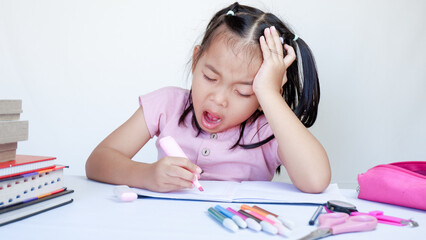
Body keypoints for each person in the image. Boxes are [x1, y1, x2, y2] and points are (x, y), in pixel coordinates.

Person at [86, 2, 331, 193]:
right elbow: (98, 161)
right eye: (210, 78)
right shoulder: (166, 105)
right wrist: (145, 175)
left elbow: (316, 180)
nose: (219, 99)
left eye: (244, 91)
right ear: (196, 61)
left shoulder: (268, 130)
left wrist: (270, 94)